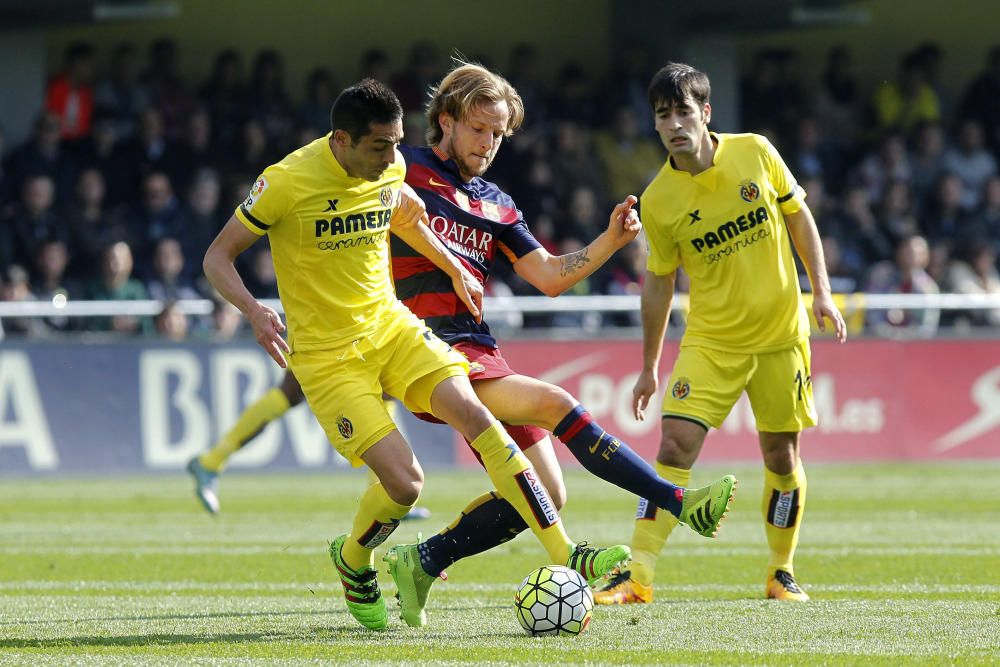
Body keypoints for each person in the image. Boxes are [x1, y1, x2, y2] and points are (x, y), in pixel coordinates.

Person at [200, 78, 629, 631]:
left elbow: (409, 218)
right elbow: (218, 257)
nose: (392, 157)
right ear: (342, 140)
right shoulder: (287, 181)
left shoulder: (392, 166)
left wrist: (453, 267)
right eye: (379, 147)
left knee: (475, 413)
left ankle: (564, 552)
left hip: (394, 328)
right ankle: (354, 558)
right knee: (406, 486)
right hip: (328, 358)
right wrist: (256, 312)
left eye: (397, 144)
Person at [378, 62, 735, 629]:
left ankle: (422, 560)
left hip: (478, 350)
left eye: (499, 134)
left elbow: (548, 275)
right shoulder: (403, 170)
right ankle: (676, 501)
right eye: (478, 129)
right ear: (444, 120)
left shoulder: (496, 201)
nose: (489, 144)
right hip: (423, 350)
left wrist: (612, 240)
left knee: (547, 492)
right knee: (555, 402)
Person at [594, 62, 847, 606]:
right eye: (663, 115)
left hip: (781, 336)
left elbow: (799, 218)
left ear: (705, 113)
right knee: (674, 445)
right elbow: (658, 285)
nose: (674, 123)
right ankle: (637, 576)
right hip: (711, 343)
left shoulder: (756, 151)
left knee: (781, 456)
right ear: (655, 125)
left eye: (684, 111)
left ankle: (782, 571)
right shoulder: (659, 200)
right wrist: (648, 366)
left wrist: (821, 291)